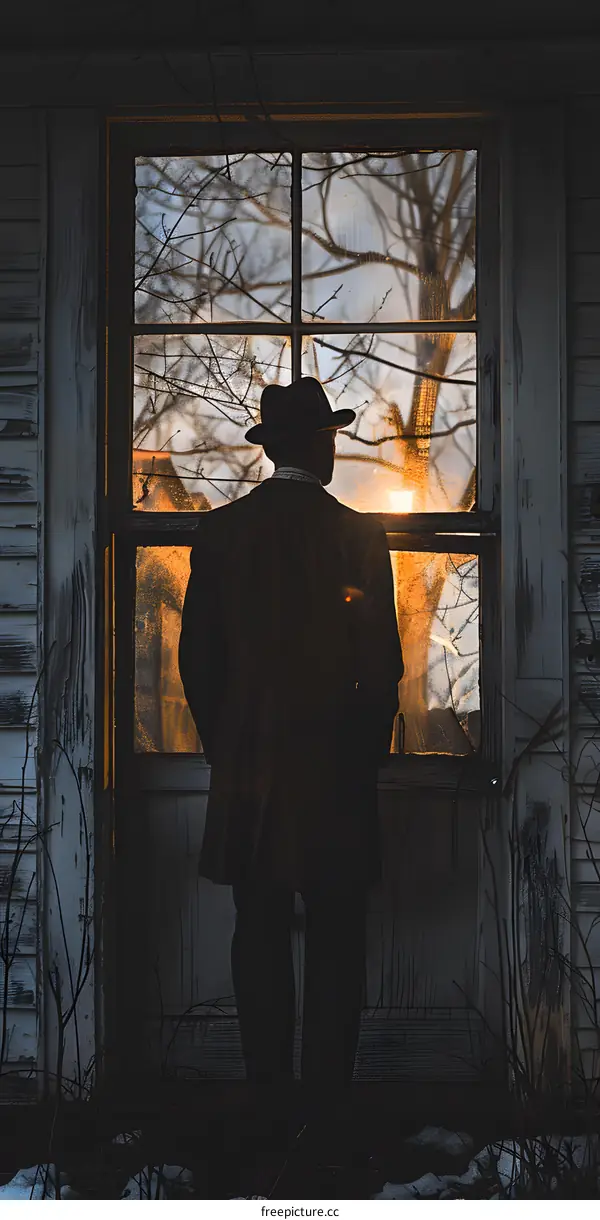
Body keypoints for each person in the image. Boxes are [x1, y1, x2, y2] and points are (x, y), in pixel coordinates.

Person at [178, 376, 403, 1150]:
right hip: (335, 772)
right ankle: (327, 1107)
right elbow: (382, 671)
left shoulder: (221, 534)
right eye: (332, 436)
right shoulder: (358, 536)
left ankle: (269, 1097)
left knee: (259, 928)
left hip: (249, 771)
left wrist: (228, 747)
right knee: (337, 937)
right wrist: (361, 757)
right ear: (320, 444)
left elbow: (197, 661)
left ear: (272, 449)